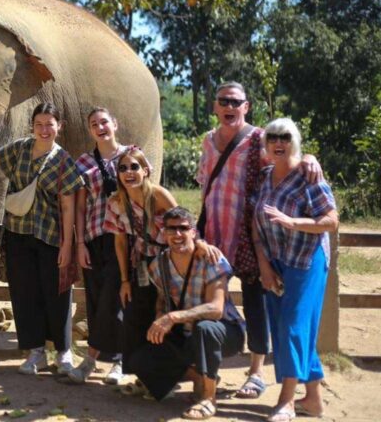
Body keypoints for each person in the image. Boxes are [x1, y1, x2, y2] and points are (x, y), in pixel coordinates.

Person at [197, 82, 321, 400]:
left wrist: (309, 157)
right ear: (215, 107)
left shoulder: (259, 138)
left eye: (235, 102)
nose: (229, 107)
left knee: (256, 301)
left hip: (248, 233)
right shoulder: (208, 142)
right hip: (215, 231)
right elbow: (205, 185)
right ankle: (206, 363)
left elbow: (286, 158)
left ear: (246, 106)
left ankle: (256, 371)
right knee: (212, 296)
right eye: (223, 101)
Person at [0, 102, 85, 375]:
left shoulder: (63, 160)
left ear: (59, 127)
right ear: (32, 127)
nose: (44, 130)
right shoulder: (20, 148)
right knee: (24, 295)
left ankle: (64, 352)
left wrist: (67, 245)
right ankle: (36, 353)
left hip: (51, 236)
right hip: (18, 234)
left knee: (57, 295)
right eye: (39, 124)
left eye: (49, 124)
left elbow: (68, 206)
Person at [251, 119, 338, 422]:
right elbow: (255, 221)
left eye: (285, 136)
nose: (278, 141)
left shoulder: (308, 176)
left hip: (306, 261)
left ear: (295, 141)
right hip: (275, 260)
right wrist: (263, 264)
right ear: (265, 145)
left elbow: (331, 221)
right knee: (289, 328)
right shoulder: (265, 176)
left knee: (291, 327)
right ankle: (313, 400)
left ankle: (286, 401)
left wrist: (293, 222)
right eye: (272, 137)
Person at [128, 207, 245, 421]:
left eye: (183, 228)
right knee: (139, 360)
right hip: (187, 334)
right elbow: (163, 302)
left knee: (205, 328)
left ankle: (208, 399)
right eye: (171, 229)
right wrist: (160, 325)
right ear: (163, 233)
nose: (177, 234)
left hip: (225, 332)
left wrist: (174, 317)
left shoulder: (211, 259)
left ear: (193, 232)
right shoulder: (159, 265)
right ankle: (200, 375)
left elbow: (216, 309)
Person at [105, 145, 177, 390]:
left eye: (134, 167)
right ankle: (142, 374)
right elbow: (120, 243)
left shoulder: (158, 195)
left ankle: (170, 373)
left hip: (168, 262)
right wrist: (125, 280)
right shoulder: (116, 202)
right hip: (143, 264)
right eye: (123, 168)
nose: (129, 172)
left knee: (166, 315)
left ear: (145, 170)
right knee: (137, 314)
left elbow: (184, 228)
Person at [70, 107, 127, 384]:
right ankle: (94, 361)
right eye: (94, 124)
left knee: (112, 299)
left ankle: (111, 360)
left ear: (115, 124)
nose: (100, 127)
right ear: (90, 130)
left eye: (104, 121)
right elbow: (80, 208)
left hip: (123, 239)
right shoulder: (84, 163)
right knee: (94, 299)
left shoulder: (131, 157)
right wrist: (79, 243)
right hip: (93, 238)